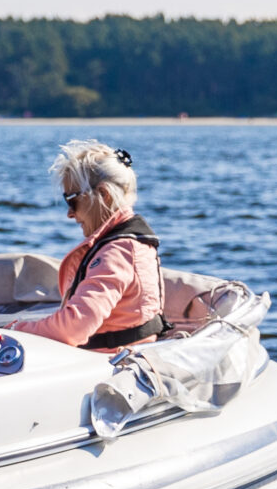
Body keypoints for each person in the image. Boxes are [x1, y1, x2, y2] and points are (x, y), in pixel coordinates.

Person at [13, 140, 165, 350]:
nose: (69, 213)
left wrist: (14, 330)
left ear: (104, 195)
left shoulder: (118, 252)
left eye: (71, 200)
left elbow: (74, 328)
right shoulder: (130, 244)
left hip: (104, 360)